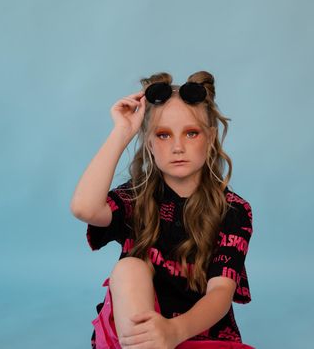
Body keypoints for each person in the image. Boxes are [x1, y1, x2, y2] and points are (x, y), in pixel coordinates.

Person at [70, 71, 255, 349]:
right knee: (129, 267)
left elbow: (220, 292)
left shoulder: (233, 210)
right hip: (136, 333)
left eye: (191, 133)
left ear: (210, 137)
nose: (178, 147)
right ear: (149, 143)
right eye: (163, 135)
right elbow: (84, 208)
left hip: (195, 332)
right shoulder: (136, 197)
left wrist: (173, 331)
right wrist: (121, 133)